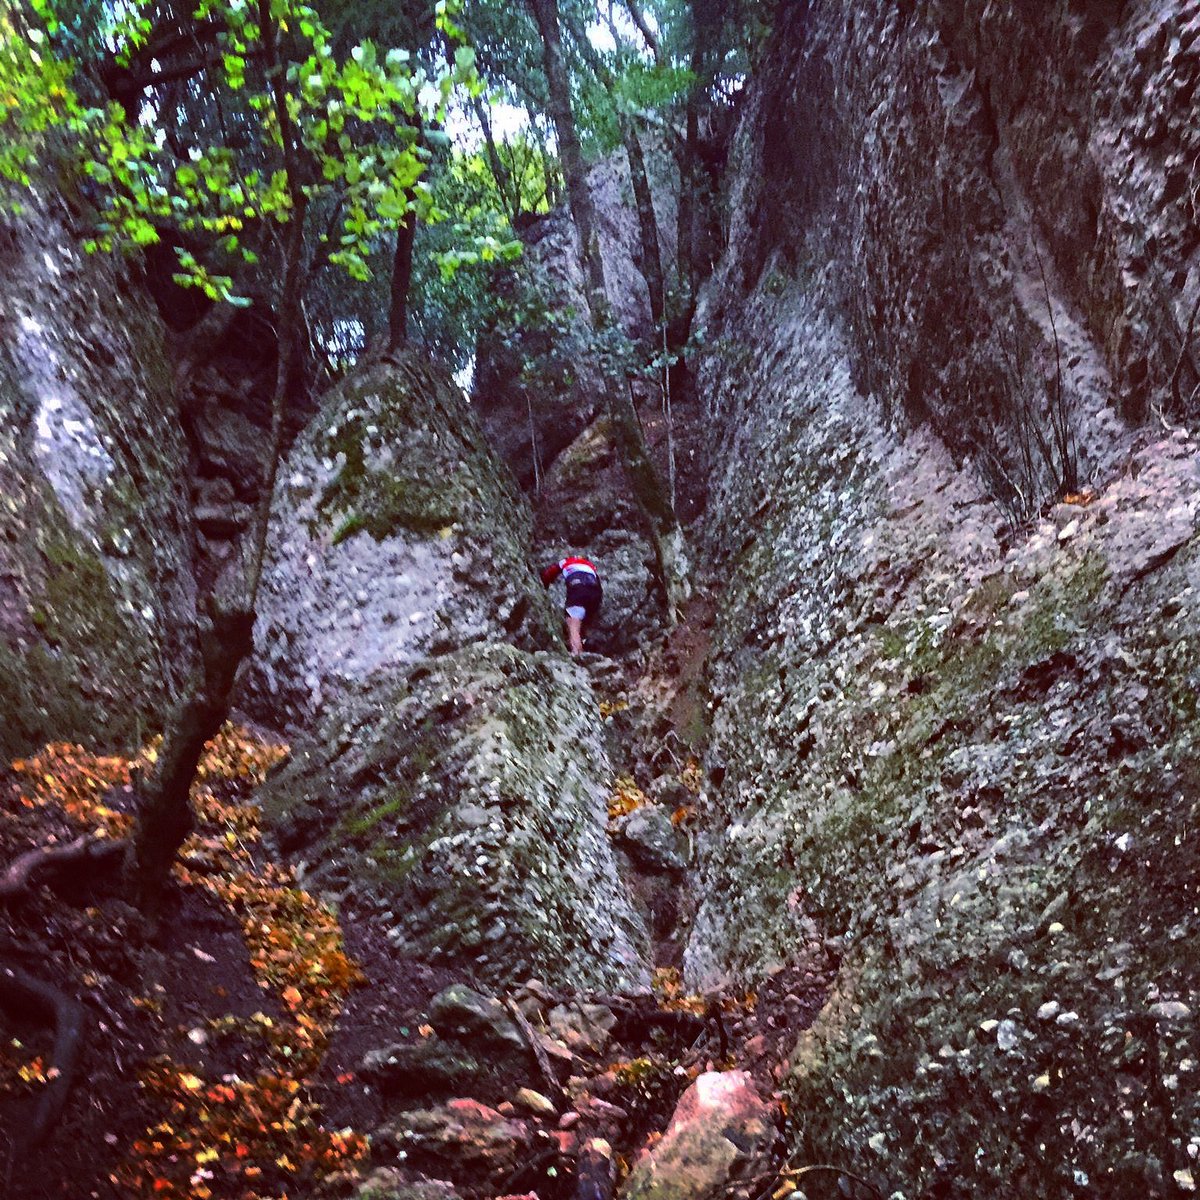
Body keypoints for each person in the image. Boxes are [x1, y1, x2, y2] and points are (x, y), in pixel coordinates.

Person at [540, 554, 602, 656]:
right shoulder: (590, 565)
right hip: (595, 593)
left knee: (573, 624)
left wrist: (544, 585)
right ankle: (586, 644)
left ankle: (577, 654)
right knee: (585, 620)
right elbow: (598, 584)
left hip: (578, 590)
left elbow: (549, 573)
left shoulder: (565, 562)